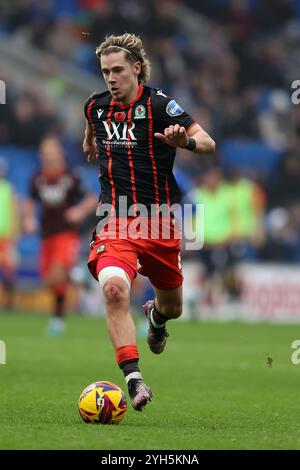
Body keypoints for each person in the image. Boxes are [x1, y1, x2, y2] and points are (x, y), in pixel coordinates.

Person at [83, 33, 215, 411]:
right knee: (114, 290)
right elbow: (92, 124)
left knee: (173, 307)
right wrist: (90, 141)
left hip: (158, 222)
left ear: (136, 68)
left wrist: (182, 142)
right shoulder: (96, 106)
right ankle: (133, 379)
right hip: (116, 219)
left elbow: (207, 142)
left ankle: (156, 319)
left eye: (118, 70)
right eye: (105, 71)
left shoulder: (159, 105)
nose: (111, 78)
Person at [23, 136, 97, 335]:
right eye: (45, 151)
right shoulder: (37, 178)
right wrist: (29, 218)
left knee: (57, 274)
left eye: (51, 150)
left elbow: (91, 199)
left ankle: (58, 318)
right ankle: (79, 279)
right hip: (46, 235)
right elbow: (29, 201)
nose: (48, 155)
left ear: (59, 152)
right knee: (49, 281)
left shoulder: (71, 176)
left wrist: (79, 211)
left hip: (67, 233)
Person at [0, 157, 19, 311]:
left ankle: (10, 303)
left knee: (8, 270)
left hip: (5, 237)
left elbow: (14, 211)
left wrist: (15, 232)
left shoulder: (8, 188)